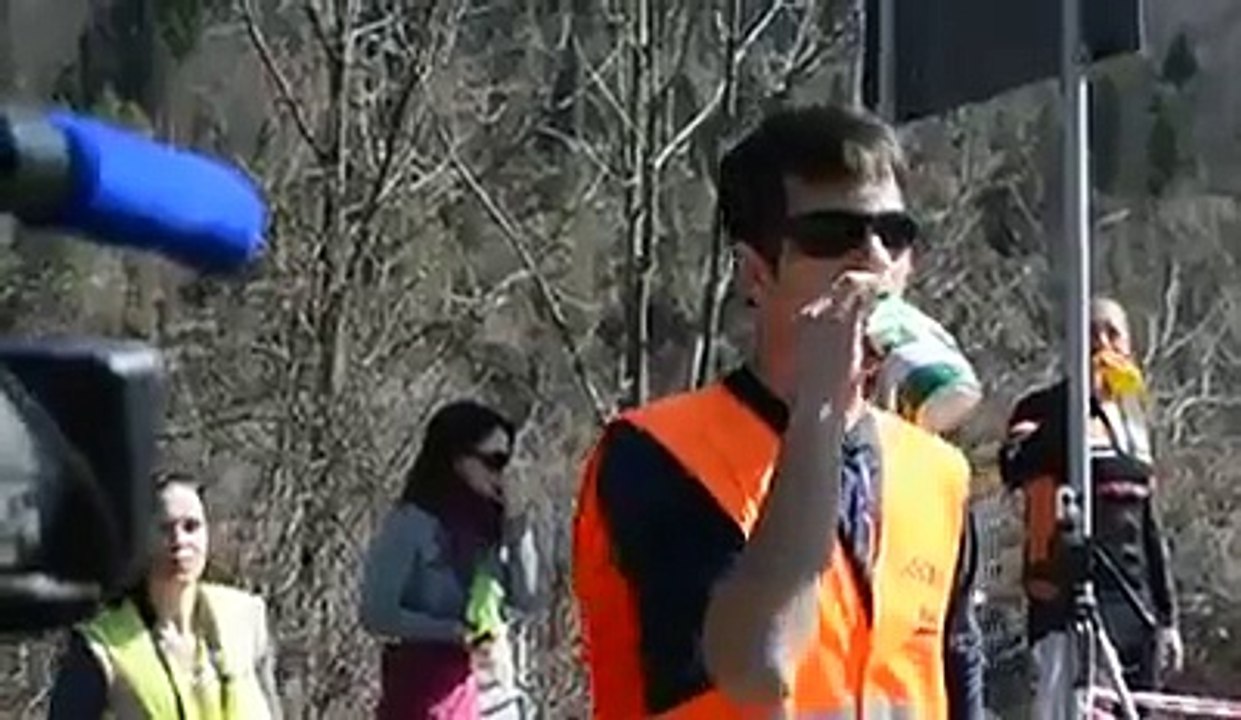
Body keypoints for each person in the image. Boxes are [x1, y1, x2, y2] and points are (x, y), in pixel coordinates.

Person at [573, 104, 983, 719]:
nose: (871, 258)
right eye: (832, 235)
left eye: (893, 233)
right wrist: (820, 404)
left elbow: (956, 680)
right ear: (757, 272)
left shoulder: (937, 475)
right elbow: (757, 668)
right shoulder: (657, 456)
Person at [1000, 297, 1182, 718]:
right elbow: (1015, 467)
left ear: (1129, 345)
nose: (1102, 343)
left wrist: (1167, 617)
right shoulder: (1042, 408)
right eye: (1090, 334)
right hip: (1068, 604)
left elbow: (1148, 523)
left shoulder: (1134, 421)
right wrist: (1079, 403)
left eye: (1112, 333)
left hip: (1136, 609)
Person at [359, 400, 540, 720]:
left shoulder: (494, 527)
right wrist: (452, 632)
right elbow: (376, 613)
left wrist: (518, 528)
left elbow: (526, 599)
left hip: (496, 697)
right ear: (457, 459)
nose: (502, 474)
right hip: (429, 695)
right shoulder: (411, 523)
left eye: (509, 461)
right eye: (494, 461)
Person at [48, 476, 282, 719]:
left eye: (191, 526)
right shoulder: (101, 647)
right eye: (164, 529)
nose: (180, 541)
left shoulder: (245, 619)